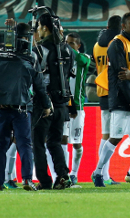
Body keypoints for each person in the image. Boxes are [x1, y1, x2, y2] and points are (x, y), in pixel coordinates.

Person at [0, 21, 51, 192]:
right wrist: (46, 104)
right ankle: (27, 179)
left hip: (1, 107)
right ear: (28, 37)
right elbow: (38, 84)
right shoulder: (31, 56)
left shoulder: (0, 52)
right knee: (24, 144)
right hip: (22, 107)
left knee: (1, 145)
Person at [92, 12, 130, 187]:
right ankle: (97, 172)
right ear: (124, 26)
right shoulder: (117, 44)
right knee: (116, 137)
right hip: (120, 97)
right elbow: (121, 76)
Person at [32, 11, 76, 190]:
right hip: (62, 104)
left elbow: (35, 78)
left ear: (44, 27)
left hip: (44, 104)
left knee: (38, 143)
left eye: (38, 27)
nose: (37, 31)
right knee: (54, 142)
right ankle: (63, 175)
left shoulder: (39, 50)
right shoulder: (69, 50)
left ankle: (44, 180)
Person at [92, 16, 121, 186]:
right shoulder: (118, 43)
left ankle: (104, 173)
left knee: (107, 134)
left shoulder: (96, 46)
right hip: (117, 90)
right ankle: (103, 173)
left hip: (103, 90)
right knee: (113, 135)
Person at [64, 32, 92, 187]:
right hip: (62, 106)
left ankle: (74, 173)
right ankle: (64, 173)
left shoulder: (84, 58)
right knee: (62, 139)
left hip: (78, 108)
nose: (69, 45)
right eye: (66, 42)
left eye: (72, 43)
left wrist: (64, 47)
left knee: (76, 143)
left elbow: (79, 58)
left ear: (78, 45)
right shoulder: (61, 60)